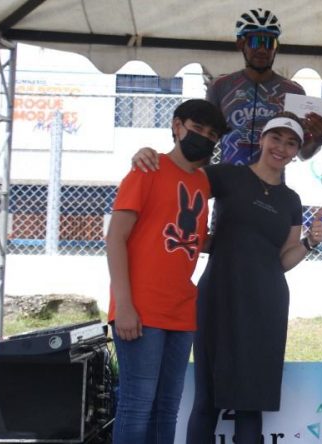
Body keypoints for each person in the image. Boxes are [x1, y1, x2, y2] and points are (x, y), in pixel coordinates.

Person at [185, 113, 322, 443]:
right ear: (261, 139)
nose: (281, 147)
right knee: (207, 400)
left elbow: (284, 259)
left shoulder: (291, 200)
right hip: (219, 293)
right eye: (276, 138)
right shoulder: (227, 176)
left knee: (251, 404)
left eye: (291, 142)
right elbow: (182, 184)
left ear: (297, 151)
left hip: (266, 302)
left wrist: (310, 242)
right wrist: (195, 233)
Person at [106, 99, 227, 443]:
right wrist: (124, 305)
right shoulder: (147, 168)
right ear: (177, 126)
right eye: (197, 129)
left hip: (181, 309)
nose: (204, 138)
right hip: (141, 308)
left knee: (167, 407)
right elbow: (115, 238)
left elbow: (194, 239)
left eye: (212, 134)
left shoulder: (203, 183)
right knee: (137, 404)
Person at [132, 8, 322, 172]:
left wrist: (318, 140)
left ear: (276, 47)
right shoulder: (220, 86)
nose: (262, 49)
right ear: (240, 44)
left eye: (269, 42)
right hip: (227, 184)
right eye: (254, 42)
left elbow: (302, 154)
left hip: (272, 185)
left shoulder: (293, 91)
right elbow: (203, 142)